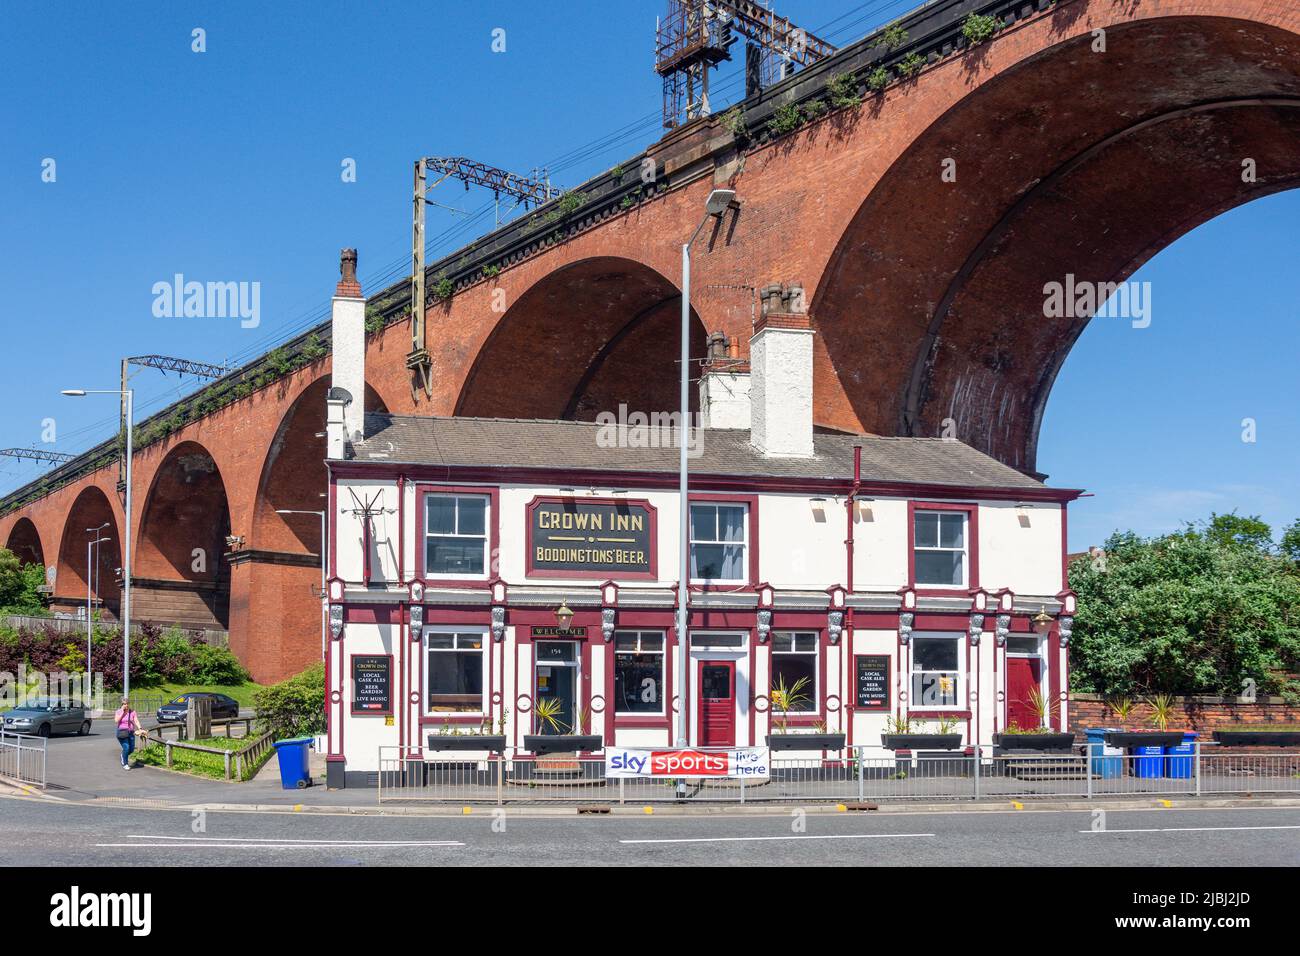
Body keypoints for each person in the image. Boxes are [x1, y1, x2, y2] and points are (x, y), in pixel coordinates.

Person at [114, 697, 142, 770]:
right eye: (124, 704)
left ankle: (123, 755)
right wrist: (123, 713)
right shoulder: (118, 711)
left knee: (131, 749)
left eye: (127, 704)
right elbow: (116, 721)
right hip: (122, 732)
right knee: (126, 748)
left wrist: (140, 728)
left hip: (131, 732)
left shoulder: (132, 712)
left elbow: (136, 720)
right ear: (121, 704)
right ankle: (125, 764)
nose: (126, 705)